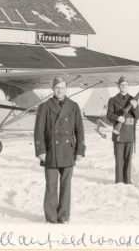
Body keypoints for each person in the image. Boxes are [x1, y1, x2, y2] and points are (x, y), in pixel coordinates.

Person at [34, 76, 85, 224]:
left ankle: (63, 217)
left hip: (68, 151)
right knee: (51, 185)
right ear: (53, 89)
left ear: (66, 89)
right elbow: (38, 131)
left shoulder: (73, 106)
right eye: (57, 88)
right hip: (51, 151)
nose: (60, 90)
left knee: (66, 186)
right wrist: (40, 150)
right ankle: (51, 217)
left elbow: (79, 130)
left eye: (62, 87)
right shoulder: (44, 107)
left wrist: (80, 150)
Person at [106, 76, 139, 184]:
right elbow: (109, 115)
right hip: (118, 133)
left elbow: (138, 116)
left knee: (128, 160)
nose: (124, 87)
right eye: (122, 85)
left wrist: (135, 107)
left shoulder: (133, 100)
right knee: (119, 160)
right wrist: (117, 118)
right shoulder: (112, 100)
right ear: (118, 86)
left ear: (128, 86)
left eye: (125, 85)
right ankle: (119, 181)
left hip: (129, 133)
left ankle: (128, 181)